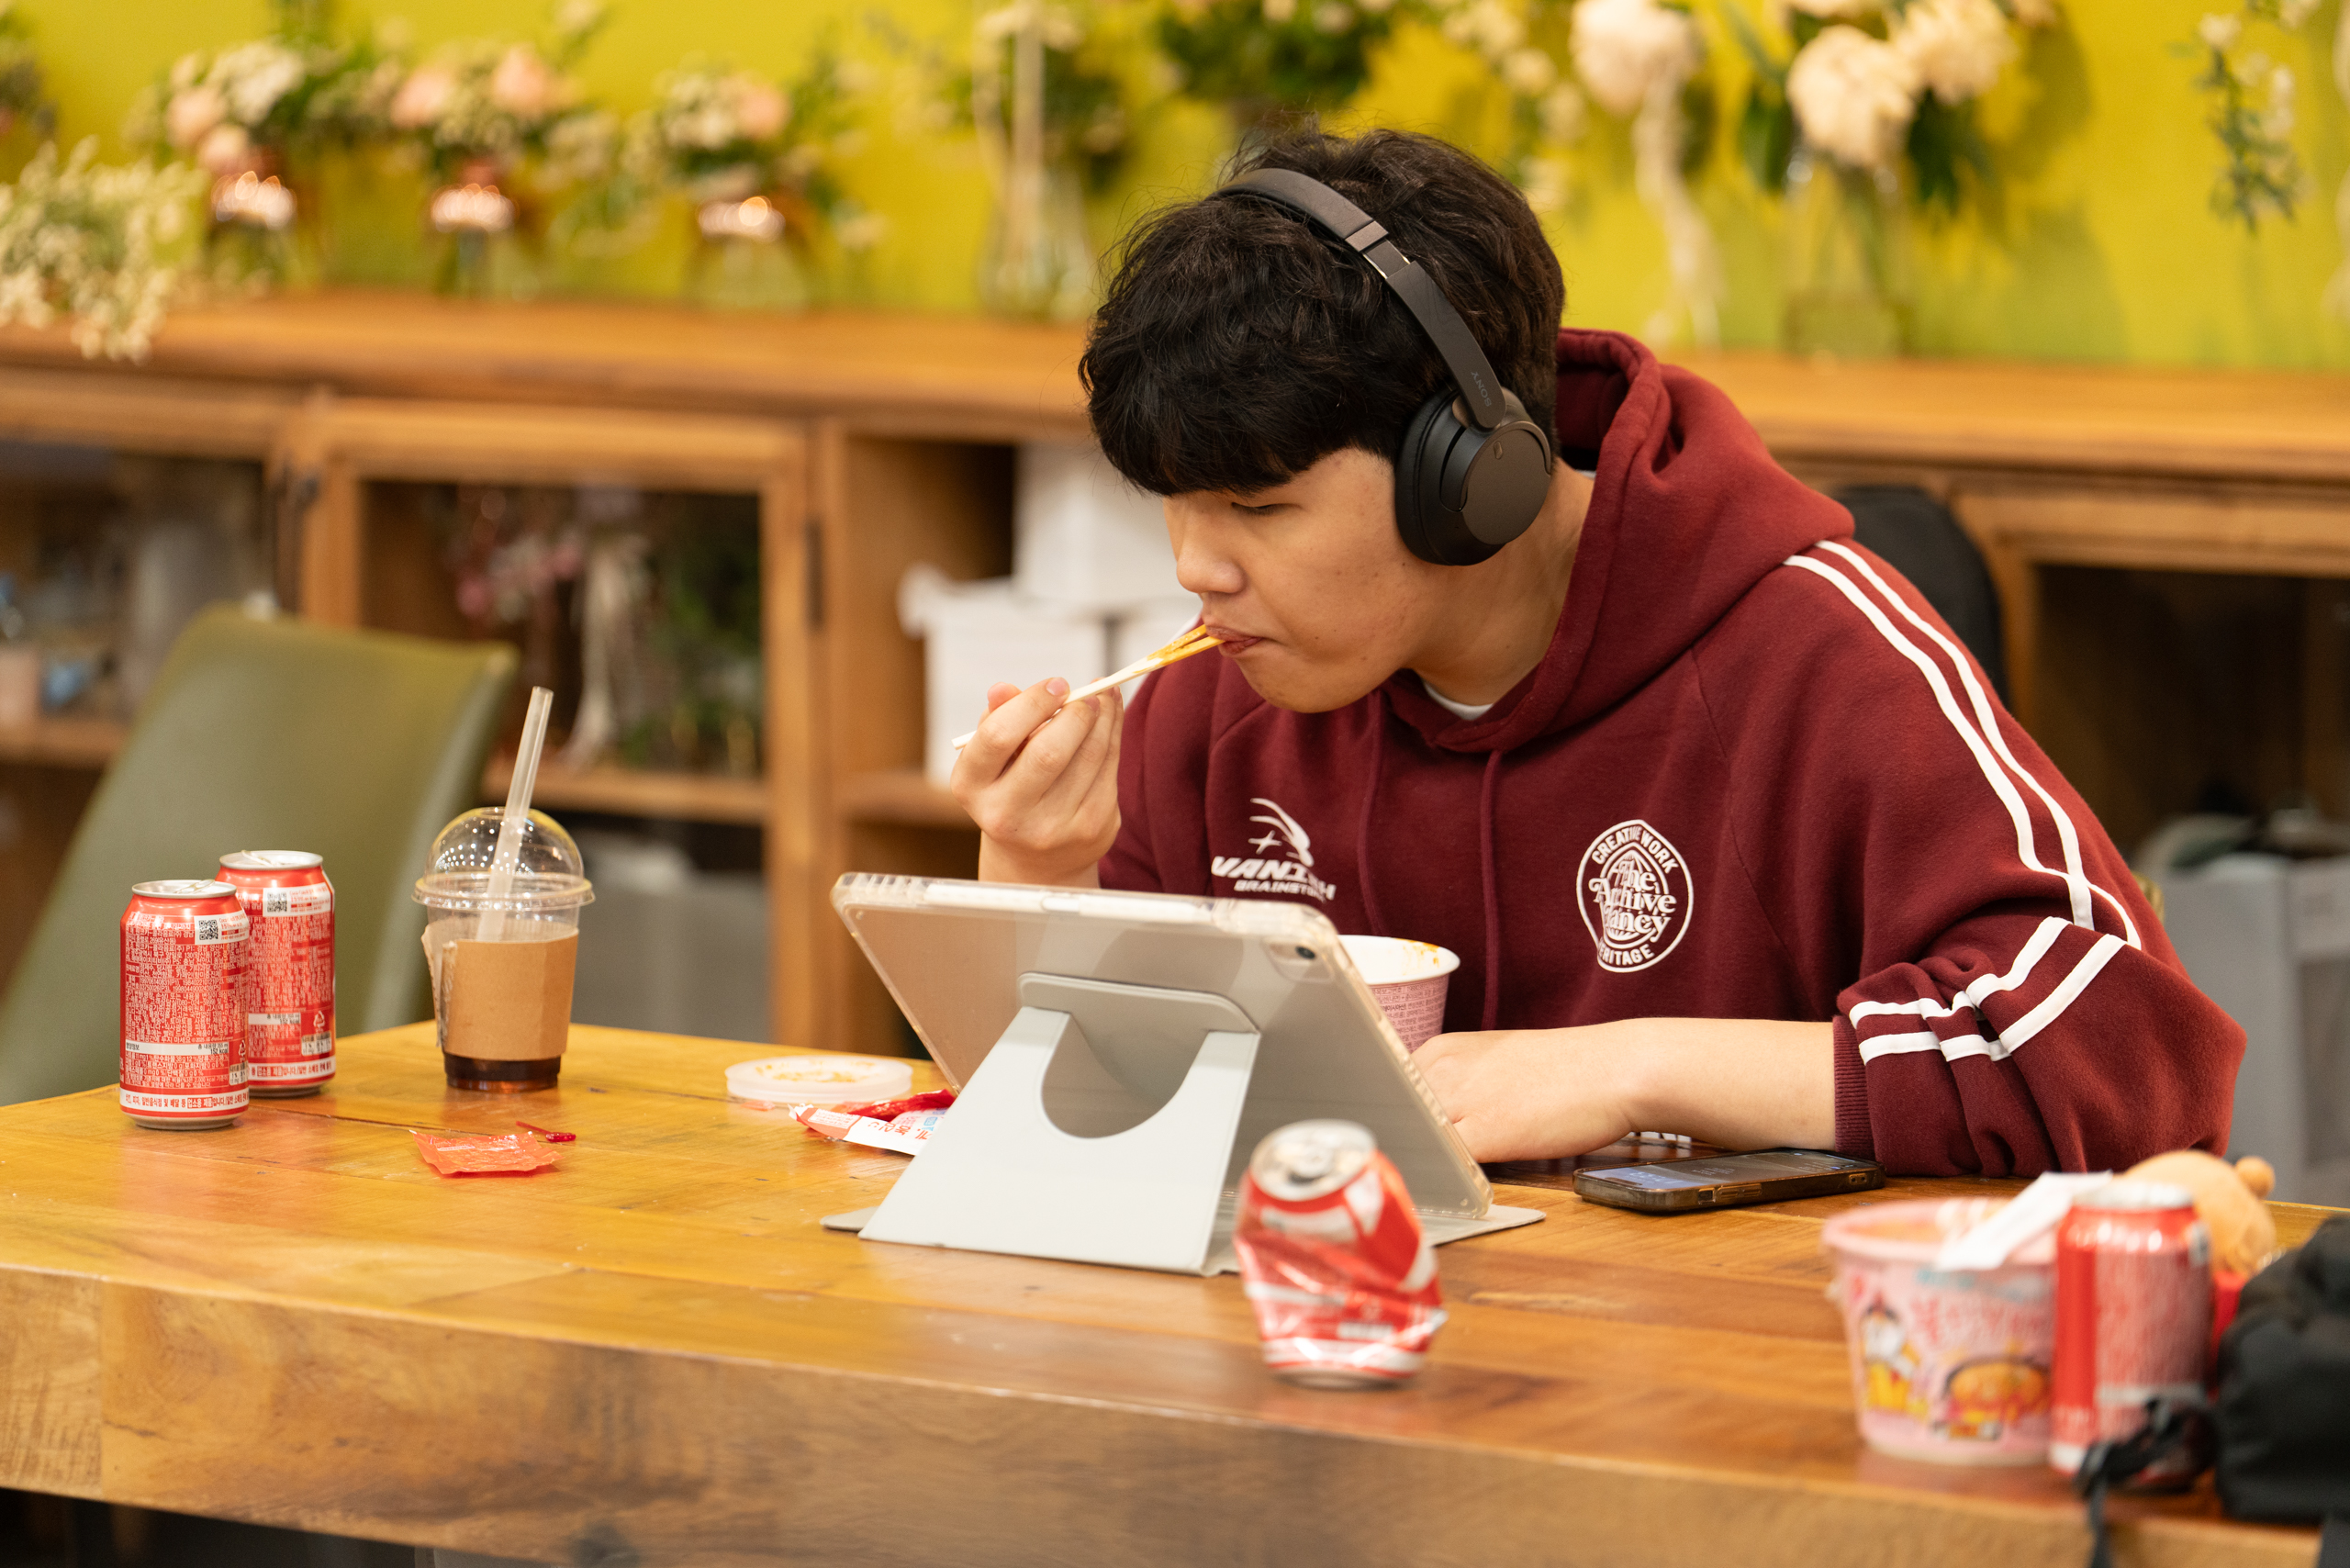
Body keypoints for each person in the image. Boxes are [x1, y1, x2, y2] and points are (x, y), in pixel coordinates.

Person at [950, 126, 2244, 1176]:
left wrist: (1632, 1068)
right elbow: (1085, 1130)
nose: (1197, 567)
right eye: (1174, 506)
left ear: (1471, 475)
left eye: (1258, 507)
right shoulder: (1228, 684)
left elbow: (2128, 1044)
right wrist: (1036, 875)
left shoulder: (1816, 652)